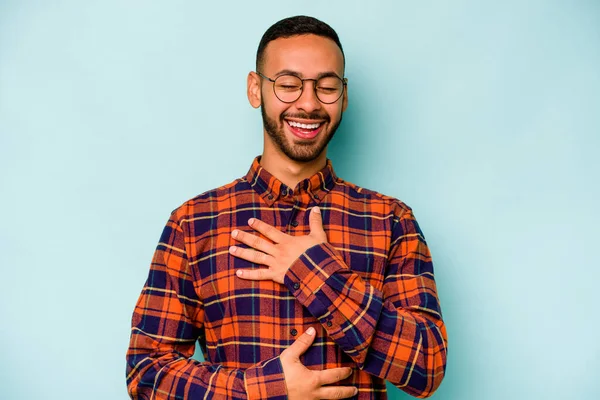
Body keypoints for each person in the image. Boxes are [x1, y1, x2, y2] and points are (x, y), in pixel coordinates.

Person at [126, 15, 447, 400]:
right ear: (255, 89)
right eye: (289, 85)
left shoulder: (390, 221)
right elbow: (147, 374)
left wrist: (315, 274)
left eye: (326, 87)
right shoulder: (193, 224)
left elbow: (427, 367)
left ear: (344, 96)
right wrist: (265, 390)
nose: (308, 104)